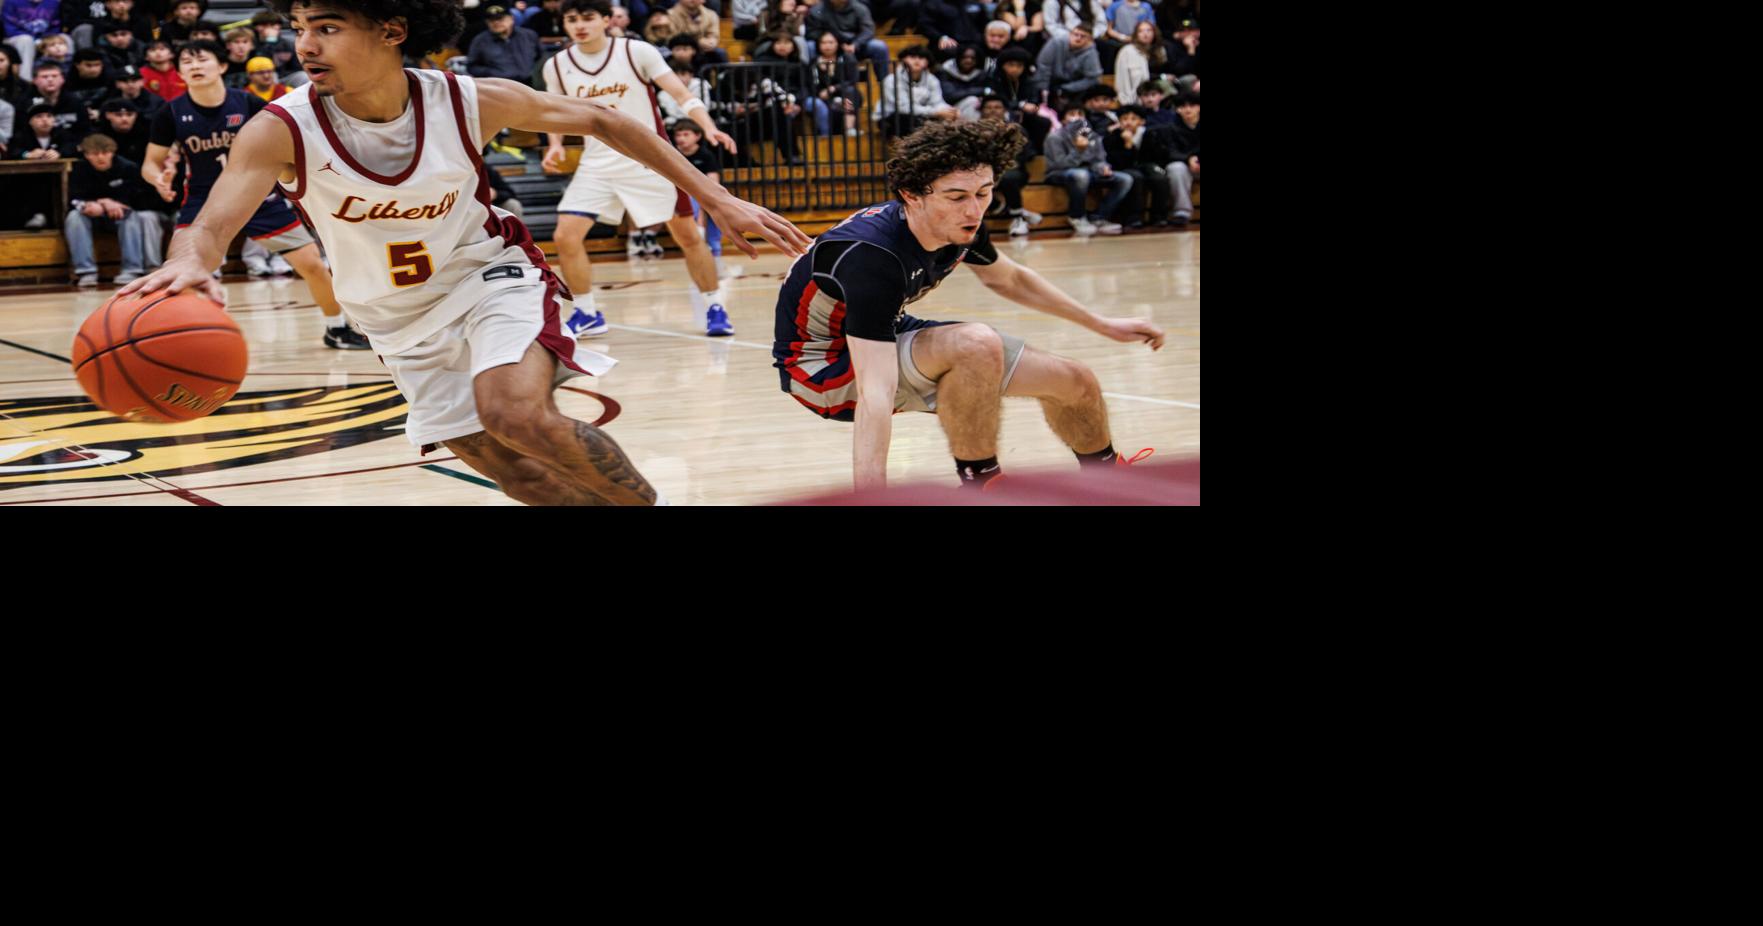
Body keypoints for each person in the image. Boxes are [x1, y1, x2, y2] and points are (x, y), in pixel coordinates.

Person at [121, 0, 812, 506]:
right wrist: (192, 260)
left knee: (511, 412)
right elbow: (213, 219)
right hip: (391, 318)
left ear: (391, 31)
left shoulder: (468, 100)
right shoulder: (280, 129)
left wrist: (715, 198)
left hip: (488, 278)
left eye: (326, 27)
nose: (305, 44)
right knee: (516, 472)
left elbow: (605, 118)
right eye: (300, 27)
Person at [771, 119, 1163, 491]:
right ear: (912, 195)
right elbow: (875, 393)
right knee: (975, 344)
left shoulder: (962, 221)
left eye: (984, 192)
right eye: (957, 196)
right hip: (821, 369)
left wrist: (1102, 324)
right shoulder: (873, 256)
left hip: (888, 332)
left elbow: (1008, 278)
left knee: (1077, 383)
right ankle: (983, 484)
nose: (974, 209)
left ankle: (1109, 485)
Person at [543, 0, 746, 338]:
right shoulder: (557, 65)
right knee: (565, 236)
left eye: (588, 18)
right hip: (598, 162)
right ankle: (586, 312)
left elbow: (681, 93)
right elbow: (553, 111)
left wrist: (707, 126)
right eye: (572, 19)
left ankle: (714, 306)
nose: (580, 25)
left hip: (650, 160)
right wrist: (555, 144)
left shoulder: (636, 51)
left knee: (688, 236)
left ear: (606, 20)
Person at [140, 40, 362, 341]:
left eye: (202, 59)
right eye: (187, 62)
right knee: (181, 271)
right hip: (204, 202)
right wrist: (159, 178)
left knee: (312, 263)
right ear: (179, 72)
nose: (194, 66)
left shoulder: (249, 105)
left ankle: (337, 329)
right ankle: (177, 338)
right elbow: (150, 163)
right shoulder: (170, 113)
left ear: (222, 66)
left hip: (259, 197)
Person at [64, 130, 157, 284]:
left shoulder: (128, 168)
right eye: (95, 153)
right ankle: (86, 271)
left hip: (121, 212)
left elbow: (138, 199)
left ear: (113, 152)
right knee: (74, 217)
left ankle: (132, 269)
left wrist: (116, 203)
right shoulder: (78, 169)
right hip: (93, 213)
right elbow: (73, 199)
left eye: (105, 153)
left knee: (132, 216)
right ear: (86, 155)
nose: (101, 157)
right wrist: (96, 203)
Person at [1042, 98, 1129, 235]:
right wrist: (1078, 150)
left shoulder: (1092, 136)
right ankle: (1077, 216)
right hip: (1059, 174)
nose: (1076, 118)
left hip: (1088, 172)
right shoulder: (1055, 138)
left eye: (1080, 114)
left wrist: (1103, 167)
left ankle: (1099, 217)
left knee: (1125, 179)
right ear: (1063, 119)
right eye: (1072, 114)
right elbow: (1060, 165)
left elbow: (1099, 159)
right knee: (1080, 175)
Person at [467, 5, 540, 85]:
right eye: (491, 20)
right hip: (500, 86)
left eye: (500, 18)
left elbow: (540, 57)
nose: (496, 22)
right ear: (487, 22)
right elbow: (472, 67)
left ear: (512, 19)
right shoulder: (480, 41)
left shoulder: (528, 35)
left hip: (530, 83)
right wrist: (492, 73)